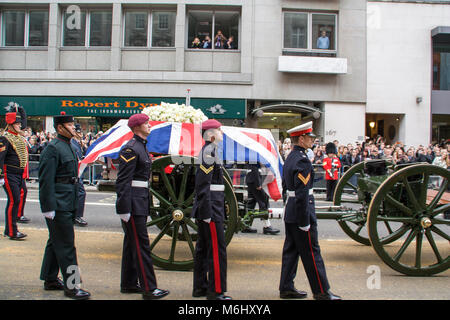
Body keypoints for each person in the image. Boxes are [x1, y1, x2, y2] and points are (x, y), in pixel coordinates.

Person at [279, 121, 341, 300]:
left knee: (291, 250)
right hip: (300, 212)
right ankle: (321, 291)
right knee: (312, 252)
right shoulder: (302, 160)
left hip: (291, 210)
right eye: (310, 137)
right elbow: (302, 194)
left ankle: (286, 287)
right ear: (301, 139)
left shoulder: (291, 157)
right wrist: (304, 220)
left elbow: (287, 188)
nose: (312, 140)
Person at [115, 113, 169, 300]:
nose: (149, 126)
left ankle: (129, 283)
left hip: (139, 201)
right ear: (137, 127)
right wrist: (123, 209)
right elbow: (123, 182)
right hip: (132, 204)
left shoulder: (141, 147)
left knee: (132, 244)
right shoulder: (131, 149)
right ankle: (149, 288)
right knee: (141, 245)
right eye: (146, 123)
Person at [39, 111, 90, 299]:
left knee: (55, 242)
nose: (73, 128)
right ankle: (72, 285)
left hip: (67, 200)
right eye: (69, 125)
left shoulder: (69, 145)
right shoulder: (53, 148)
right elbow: (46, 180)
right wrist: (48, 207)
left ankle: (50, 278)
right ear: (60, 127)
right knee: (67, 245)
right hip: (58, 203)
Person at [192, 119, 231, 300]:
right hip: (211, 208)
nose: (222, 134)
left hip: (211, 205)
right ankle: (215, 291)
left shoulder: (210, 151)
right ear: (211, 134)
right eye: (219, 131)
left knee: (203, 248)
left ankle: (200, 287)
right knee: (216, 249)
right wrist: (207, 212)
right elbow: (203, 185)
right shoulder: (209, 152)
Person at [0, 103, 29, 239]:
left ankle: (9, 230)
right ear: (11, 124)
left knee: (16, 200)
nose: (20, 126)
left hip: (18, 175)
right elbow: (0, 158)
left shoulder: (18, 138)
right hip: (9, 174)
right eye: (17, 124)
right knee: (14, 201)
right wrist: (0, 176)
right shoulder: (5, 139)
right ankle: (12, 232)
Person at [243, 163, 280, 235]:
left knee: (251, 203)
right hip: (254, 180)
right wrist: (258, 183)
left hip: (251, 180)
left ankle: (245, 225)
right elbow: (254, 168)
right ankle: (267, 226)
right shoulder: (253, 156)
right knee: (263, 202)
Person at [71, 124, 88, 227]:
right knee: (80, 193)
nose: (81, 134)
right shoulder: (73, 144)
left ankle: (75, 215)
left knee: (77, 194)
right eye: (79, 132)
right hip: (76, 172)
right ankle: (77, 216)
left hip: (79, 172)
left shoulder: (78, 143)